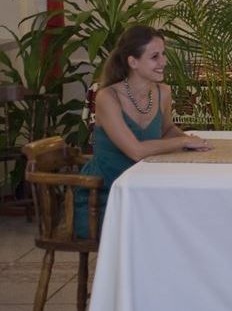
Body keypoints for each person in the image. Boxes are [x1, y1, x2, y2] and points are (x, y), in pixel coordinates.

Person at [74, 25, 212, 238]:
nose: (164, 62)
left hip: (147, 189)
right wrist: (182, 143)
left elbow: (166, 130)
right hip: (106, 196)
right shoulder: (107, 98)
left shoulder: (163, 92)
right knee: (170, 229)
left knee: (191, 220)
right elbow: (136, 151)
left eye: (163, 54)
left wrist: (191, 139)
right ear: (133, 62)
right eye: (155, 56)